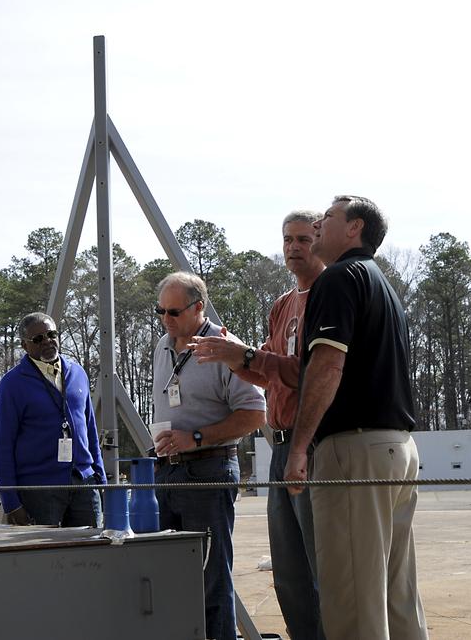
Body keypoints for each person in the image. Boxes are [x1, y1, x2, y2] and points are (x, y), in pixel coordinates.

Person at [286, 196, 428, 639]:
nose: (319, 222)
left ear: (354, 229)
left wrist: (299, 446)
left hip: (355, 453)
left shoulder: (340, 279)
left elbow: (327, 366)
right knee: (395, 593)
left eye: (327, 217)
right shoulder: (381, 284)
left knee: (352, 599)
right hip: (399, 449)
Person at [191, 210, 327, 640]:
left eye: (304, 239)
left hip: (315, 445)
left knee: (321, 563)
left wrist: (245, 356)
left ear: (321, 241)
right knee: (288, 569)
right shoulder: (283, 305)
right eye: (287, 239)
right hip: (281, 445)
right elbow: (269, 373)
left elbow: (305, 371)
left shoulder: (330, 296)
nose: (293, 247)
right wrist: (233, 356)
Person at [151, 271, 266, 640]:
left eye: (174, 312)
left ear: (199, 307)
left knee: (211, 577)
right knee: (174, 577)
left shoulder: (225, 347)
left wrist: (196, 438)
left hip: (208, 472)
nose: (166, 320)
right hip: (168, 474)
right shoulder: (162, 346)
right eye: (160, 312)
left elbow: (254, 415)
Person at [0, 312, 105, 526]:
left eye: (51, 334)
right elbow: (2, 446)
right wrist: (11, 503)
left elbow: (90, 430)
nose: (47, 341)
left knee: (92, 552)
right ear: (24, 346)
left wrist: (100, 480)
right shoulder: (12, 384)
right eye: (38, 339)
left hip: (84, 484)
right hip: (39, 490)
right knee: (44, 557)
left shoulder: (78, 373)